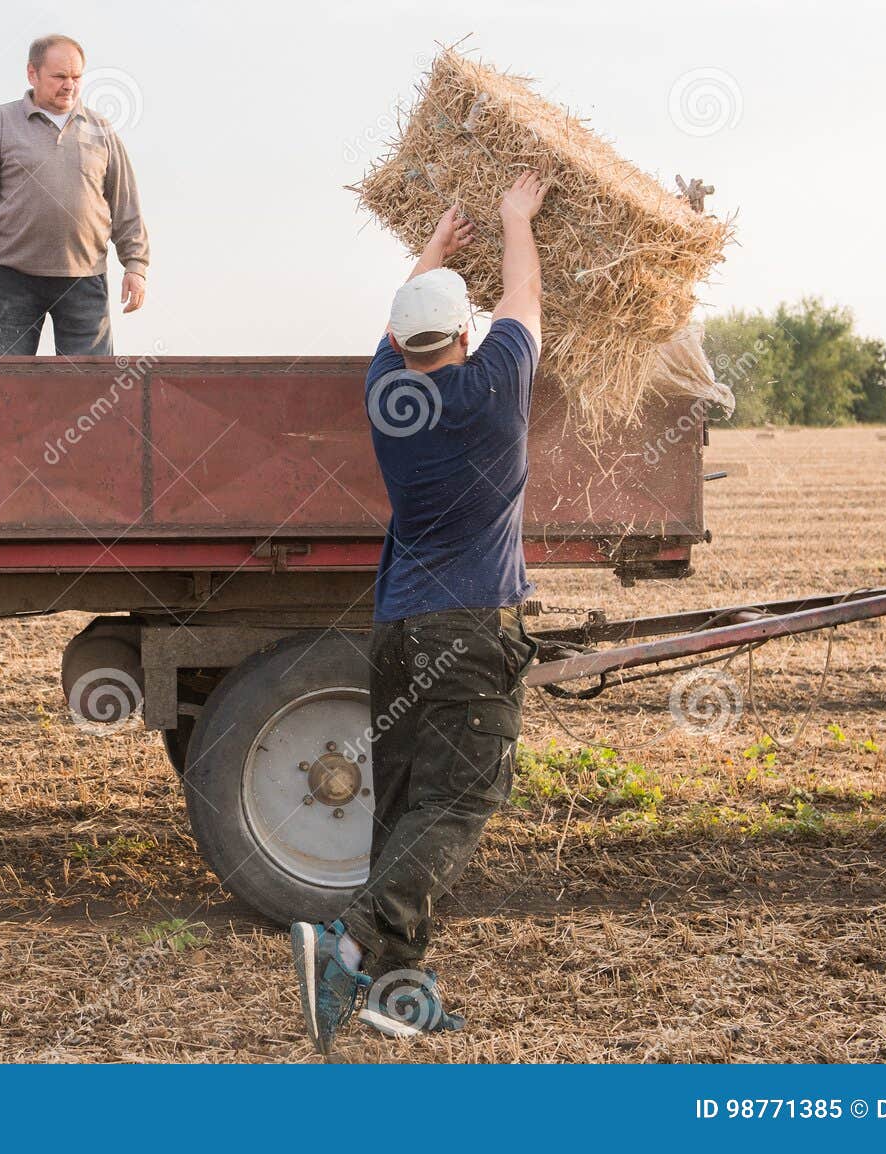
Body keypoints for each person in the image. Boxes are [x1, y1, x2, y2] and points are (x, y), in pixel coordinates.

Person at [290, 171, 549, 1055]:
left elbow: (408, 322)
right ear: (467, 336)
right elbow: (527, 296)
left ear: (402, 343)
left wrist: (436, 246)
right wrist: (515, 218)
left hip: (397, 629)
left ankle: (396, 992)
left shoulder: (385, 397)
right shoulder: (492, 389)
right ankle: (352, 938)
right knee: (467, 795)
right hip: (470, 626)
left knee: (402, 813)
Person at [0, 33, 150, 356]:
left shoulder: (100, 129)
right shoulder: (1, 123)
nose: (69, 85)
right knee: (8, 388)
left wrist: (136, 266)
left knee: (89, 393)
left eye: (76, 77)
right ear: (32, 74)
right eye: (59, 76)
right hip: (11, 280)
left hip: (85, 280)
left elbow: (126, 204)